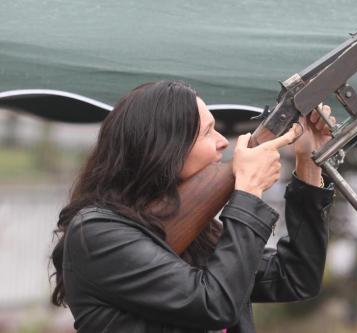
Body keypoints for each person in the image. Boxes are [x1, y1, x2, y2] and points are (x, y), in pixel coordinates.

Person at [50, 80, 336, 333]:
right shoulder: (97, 233)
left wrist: (308, 161)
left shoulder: (190, 231)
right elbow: (213, 304)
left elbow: (297, 277)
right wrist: (248, 191)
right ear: (164, 149)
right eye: (208, 132)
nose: (224, 142)